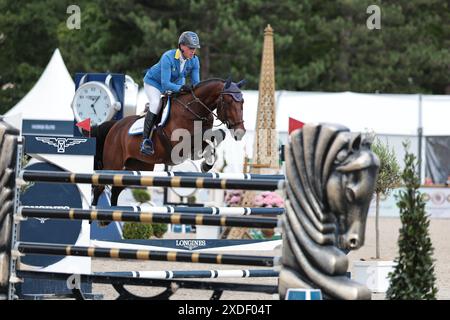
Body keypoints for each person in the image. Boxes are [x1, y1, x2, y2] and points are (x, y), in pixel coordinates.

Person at [140, 31, 201, 155]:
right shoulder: (168, 57)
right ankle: (146, 140)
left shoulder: (194, 61)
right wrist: (182, 88)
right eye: (190, 48)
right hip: (154, 83)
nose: (193, 51)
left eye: (194, 48)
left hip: (176, 83)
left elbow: (196, 84)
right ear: (182, 46)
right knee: (156, 103)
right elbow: (165, 85)